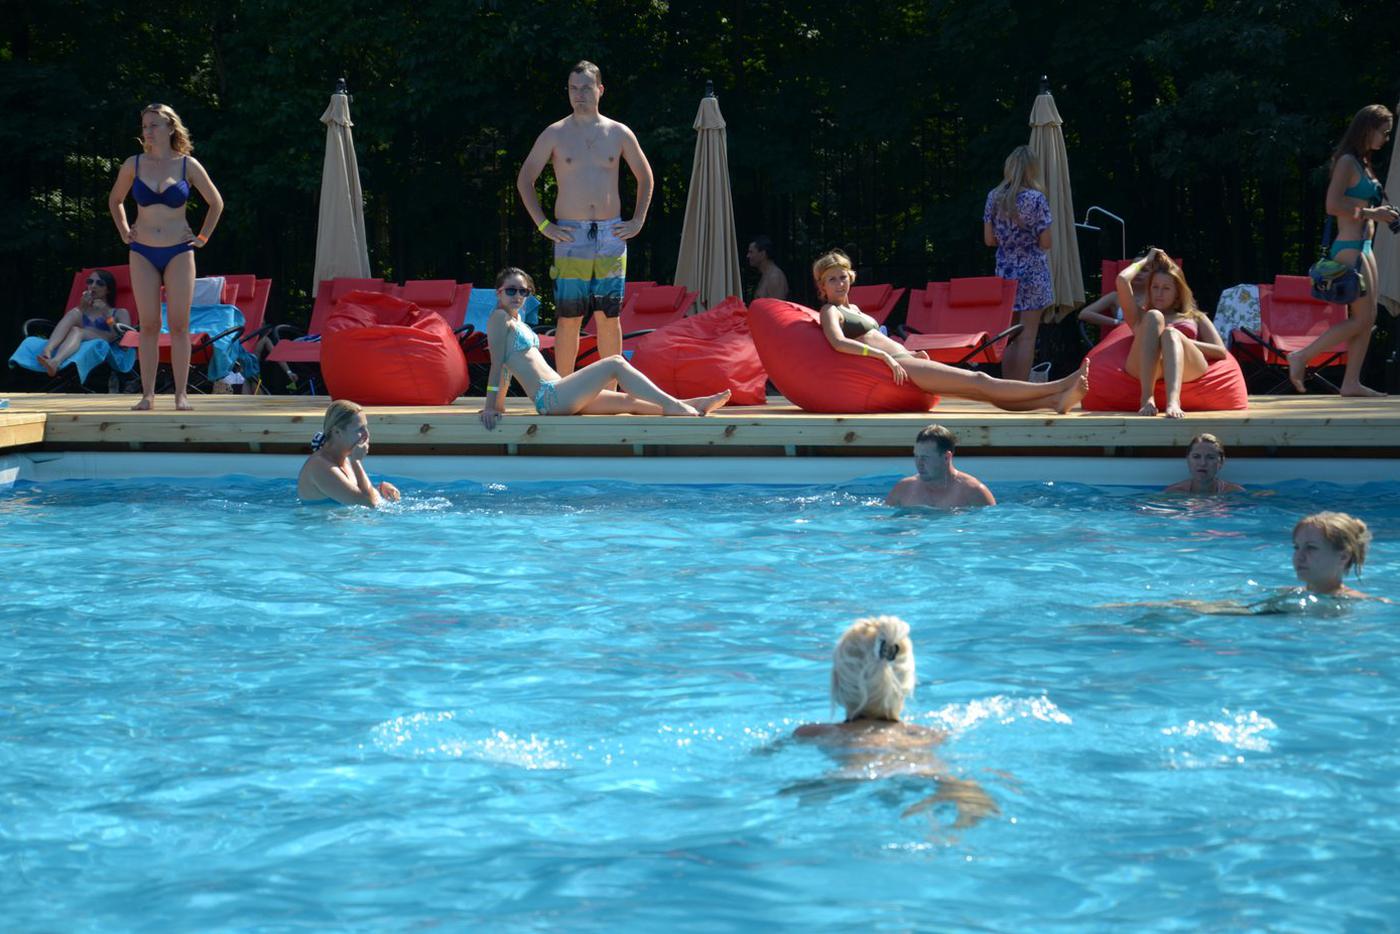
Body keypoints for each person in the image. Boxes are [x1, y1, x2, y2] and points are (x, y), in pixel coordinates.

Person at [813, 250, 1089, 413]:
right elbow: (838, 343)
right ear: (822, 288)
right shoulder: (830, 311)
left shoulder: (857, 309)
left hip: (909, 361)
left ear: (851, 278)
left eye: (842, 277)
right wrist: (885, 358)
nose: (839, 284)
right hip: (902, 367)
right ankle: (1061, 384)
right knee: (980, 379)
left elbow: (877, 338)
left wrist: (908, 351)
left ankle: (1054, 400)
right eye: (831, 280)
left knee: (981, 393)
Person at [791, 616, 999, 828]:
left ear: (837, 680)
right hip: (924, 773)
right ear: (908, 682)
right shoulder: (931, 734)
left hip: (848, 776)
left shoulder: (810, 733)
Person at [516, 61, 653, 381]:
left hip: (611, 233)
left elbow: (646, 177)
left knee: (609, 316)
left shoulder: (618, 133)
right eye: (573, 88)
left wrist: (637, 221)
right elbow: (525, 180)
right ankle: (562, 389)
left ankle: (611, 390)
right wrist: (543, 225)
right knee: (569, 316)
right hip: (570, 235)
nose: (579, 95)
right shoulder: (555, 133)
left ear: (600, 90)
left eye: (586, 88)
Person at [477, 267, 730, 429]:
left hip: (560, 393)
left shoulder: (517, 321)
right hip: (551, 397)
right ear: (498, 293)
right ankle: (677, 407)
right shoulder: (499, 319)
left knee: (629, 401)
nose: (518, 296)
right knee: (615, 363)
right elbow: (498, 365)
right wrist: (491, 406)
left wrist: (499, 407)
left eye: (523, 291)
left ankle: (692, 404)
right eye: (511, 290)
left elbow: (509, 367)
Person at [108, 103, 224, 412]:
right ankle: (147, 395)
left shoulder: (187, 165)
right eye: (145, 126)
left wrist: (201, 238)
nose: (148, 131)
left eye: (154, 125)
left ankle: (181, 395)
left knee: (179, 326)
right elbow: (115, 199)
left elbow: (216, 203)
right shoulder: (133, 164)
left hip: (179, 251)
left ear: (170, 128)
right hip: (143, 250)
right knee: (147, 325)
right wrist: (123, 231)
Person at [1289, 105, 1398, 397]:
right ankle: (1301, 356)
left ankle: (1351, 383)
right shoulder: (1347, 162)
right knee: (1361, 319)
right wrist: (1374, 213)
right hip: (1349, 248)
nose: (1386, 138)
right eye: (1384, 132)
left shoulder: (1363, 162)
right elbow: (1332, 205)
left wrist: (1383, 212)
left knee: (1369, 318)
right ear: (1367, 128)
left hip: (1365, 247)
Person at [1110, 512, 1387, 614]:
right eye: (1296, 547)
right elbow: (1228, 608)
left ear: (1343, 556)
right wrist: (1152, 607)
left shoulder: (1368, 606)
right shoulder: (1287, 597)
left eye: (1311, 548)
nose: (1299, 556)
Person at [1115, 248, 1226, 418]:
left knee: (1171, 335)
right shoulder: (1140, 316)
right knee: (1154, 316)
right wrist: (1147, 259)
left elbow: (1220, 352)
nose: (1159, 293)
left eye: (1166, 288)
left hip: (1187, 365)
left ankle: (1173, 401)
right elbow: (1122, 280)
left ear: (1177, 293)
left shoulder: (1195, 316)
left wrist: (1180, 339)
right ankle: (1147, 398)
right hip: (1145, 366)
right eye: (1155, 287)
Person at [983, 145, 1053, 381]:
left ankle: (1007, 386)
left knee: (1009, 334)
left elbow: (989, 240)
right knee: (1028, 335)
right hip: (1033, 270)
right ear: (1031, 170)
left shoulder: (993, 197)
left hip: (1004, 270)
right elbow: (1046, 242)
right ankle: (1021, 388)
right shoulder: (1036, 199)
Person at [297, 400, 402, 507]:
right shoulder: (320, 467)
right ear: (337, 432)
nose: (367, 434)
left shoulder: (344, 459)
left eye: (366, 427)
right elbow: (369, 503)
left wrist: (380, 489)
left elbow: (355, 492)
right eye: (360, 429)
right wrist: (356, 462)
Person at [35, 269, 131, 377]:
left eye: (100, 283)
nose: (93, 286)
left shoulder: (120, 312)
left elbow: (125, 343)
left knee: (78, 331)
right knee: (74, 314)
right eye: (90, 281)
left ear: (108, 290)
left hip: (108, 345)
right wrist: (82, 308)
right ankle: (47, 350)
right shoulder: (82, 312)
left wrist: (106, 314)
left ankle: (55, 362)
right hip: (85, 338)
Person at [886, 424, 996, 508]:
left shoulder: (974, 492)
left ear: (946, 457)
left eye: (925, 457)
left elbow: (990, 531)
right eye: (916, 456)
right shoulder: (904, 489)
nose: (919, 463)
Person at [1163, 433, 1244, 494]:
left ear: (1221, 462)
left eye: (1210, 457)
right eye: (1196, 457)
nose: (1203, 463)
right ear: (1188, 459)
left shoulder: (1235, 493)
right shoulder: (1173, 493)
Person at [747, 235, 789, 300]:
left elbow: (777, 308)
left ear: (763, 254)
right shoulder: (766, 275)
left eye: (751, 252)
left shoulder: (775, 277)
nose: (748, 256)